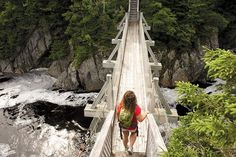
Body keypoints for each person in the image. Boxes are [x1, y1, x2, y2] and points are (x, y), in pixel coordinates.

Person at [116, 90, 149, 155]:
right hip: (132, 126)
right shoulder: (136, 108)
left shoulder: (120, 105)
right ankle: (130, 147)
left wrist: (118, 119)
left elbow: (117, 113)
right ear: (134, 100)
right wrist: (146, 113)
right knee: (134, 133)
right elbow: (140, 119)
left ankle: (126, 147)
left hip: (123, 125)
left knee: (125, 136)